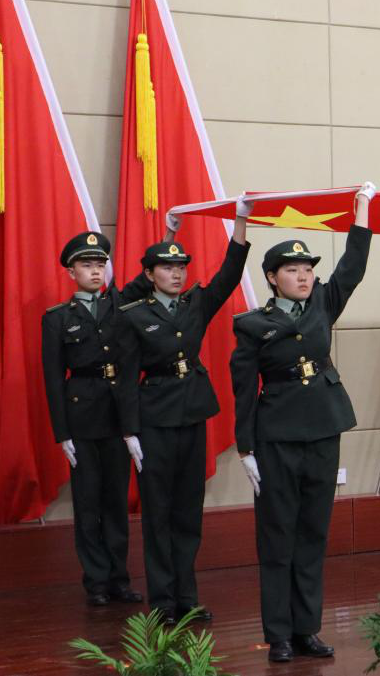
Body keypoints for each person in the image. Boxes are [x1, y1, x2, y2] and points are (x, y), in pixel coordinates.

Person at [230, 183, 374, 663]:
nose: (304, 276)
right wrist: (245, 449)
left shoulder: (323, 304)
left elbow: (352, 267)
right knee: (277, 537)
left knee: (313, 533)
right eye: (293, 270)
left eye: (308, 268)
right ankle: (279, 635)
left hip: (323, 428)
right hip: (277, 437)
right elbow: (243, 390)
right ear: (273, 278)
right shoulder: (252, 324)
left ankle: (307, 628)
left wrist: (362, 209)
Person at [118, 201, 252, 624]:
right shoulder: (133, 315)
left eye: (181, 268)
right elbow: (124, 377)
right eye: (167, 268)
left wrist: (241, 221)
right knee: (158, 512)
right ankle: (162, 602)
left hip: (192, 413)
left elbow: (228, 275)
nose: (177, 274)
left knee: (188, 511)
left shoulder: (196, 304)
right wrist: (129, 431)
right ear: (150, 274)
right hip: (154, 419)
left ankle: (187, 597)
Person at [42, 230, 163, 606]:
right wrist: (62, 433)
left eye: (100, 264)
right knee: (88, 501)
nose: (95, 271)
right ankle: (95, 580)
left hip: (118, 414)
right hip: (81, 414)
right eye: (87, 265)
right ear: (71, 272)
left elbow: (151, 271)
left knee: (116, 500)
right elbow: (52, 378)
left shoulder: (120, 306)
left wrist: (170, 232)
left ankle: (118, 578)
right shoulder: (58, 318)